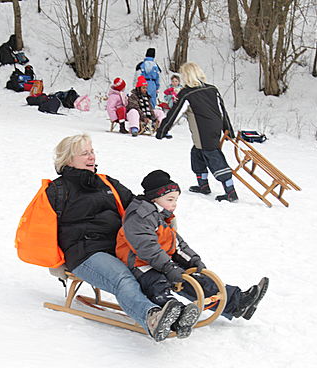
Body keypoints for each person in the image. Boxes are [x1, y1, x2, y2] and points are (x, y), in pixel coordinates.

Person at [45, 134, 185, 342]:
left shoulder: (106, 183)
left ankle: (184, 309)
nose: (91, 156)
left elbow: (137, 207)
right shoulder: (57, 190)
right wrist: (54, 263)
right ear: (68, 159)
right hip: (85, 252)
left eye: (92, 151)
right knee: (123, 278)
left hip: (117, 246)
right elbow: (43, 227)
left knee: (154, 268)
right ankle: (151, 317)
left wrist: (160, 214)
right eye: (84, 153)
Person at [116, 169, 270, 337]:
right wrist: (169, 267)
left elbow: (176, 244)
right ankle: (172, 314)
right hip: (139, 264)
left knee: (194, 278)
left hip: (160, 261)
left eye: (176, 200)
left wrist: (193, 260)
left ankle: (238, 302)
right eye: (170, 199)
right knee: (158, 284)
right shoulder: (140, 216)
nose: (174, 204)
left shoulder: (161, 216)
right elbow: (147, 247)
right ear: (154, 199)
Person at [156, 62, 238, 202]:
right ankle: (203, 186)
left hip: (203, 132)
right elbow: (222, 110)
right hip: (214, 129)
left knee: (213, 157)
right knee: (196, 154)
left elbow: (175, 114)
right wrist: (228, 129)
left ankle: (231, 192)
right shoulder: (212, 89)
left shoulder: (187, 93)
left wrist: (162, 130)